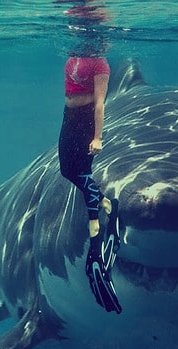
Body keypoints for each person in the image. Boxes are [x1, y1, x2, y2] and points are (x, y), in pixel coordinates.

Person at [58, 52, 122, 314]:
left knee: (83, 174)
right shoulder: (72, 56)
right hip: (68, 115)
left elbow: (99, 104)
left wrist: (98, 137)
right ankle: (109, 205)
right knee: (67, 171)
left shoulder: (100, 63)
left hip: (86, 119)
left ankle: (95, 249)